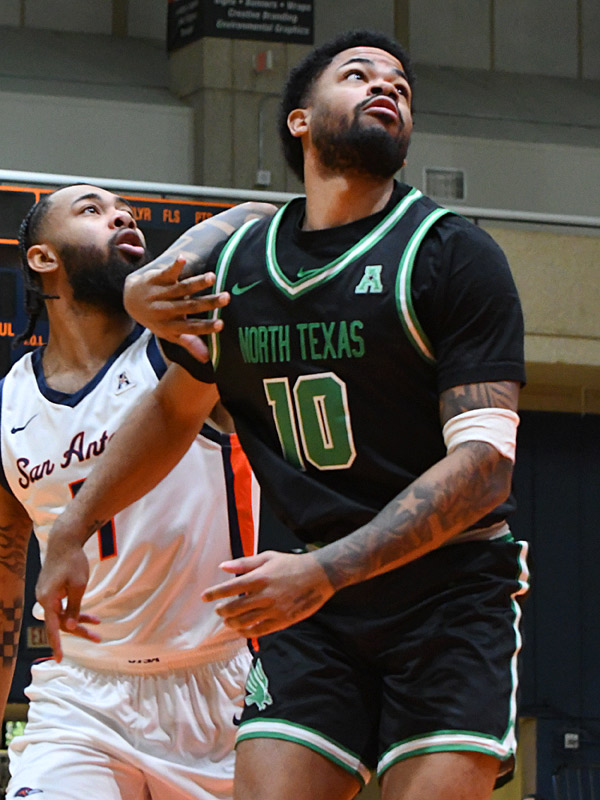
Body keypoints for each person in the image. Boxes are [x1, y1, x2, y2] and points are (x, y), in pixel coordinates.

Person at [36, 29, 530, 800]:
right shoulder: (240, 266)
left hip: (445, 593)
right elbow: (174, 411)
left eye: (401, 85)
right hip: (309, 605)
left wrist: (323, 572)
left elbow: (486, 468)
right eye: (358, 74)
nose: (387, 87)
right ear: (299, 119)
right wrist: (71, 528)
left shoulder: (454, 254)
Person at [0, 184, 275, 800]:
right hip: (80, 698)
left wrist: (155, 276)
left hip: (218, 684)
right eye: (92, 210)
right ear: (42, 257)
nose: (122, 215)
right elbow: (5, 594)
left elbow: (266, 218)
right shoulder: (8, 404)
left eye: (125, 210)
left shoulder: (186, 349)